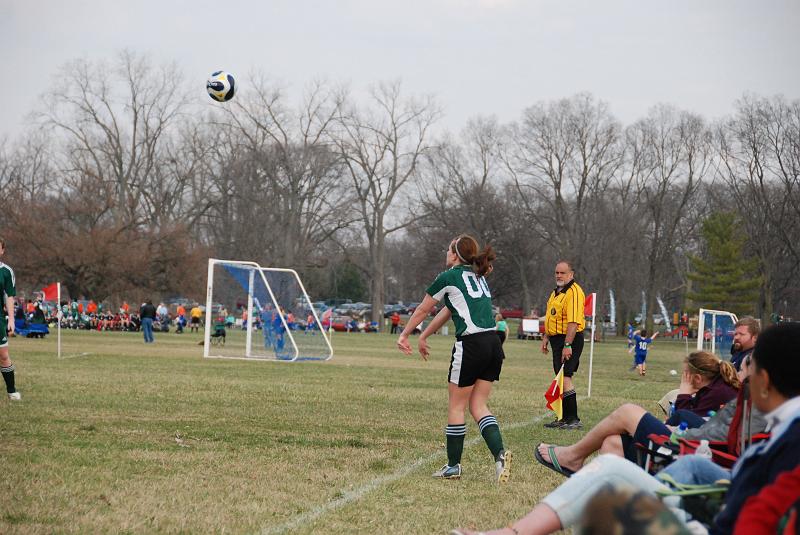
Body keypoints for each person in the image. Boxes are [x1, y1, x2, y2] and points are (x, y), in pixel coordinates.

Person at [451, 322, 800, 535]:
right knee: (612, 459)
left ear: (765, 381)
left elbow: (759, 510)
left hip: (706, 487)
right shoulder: (783, 431)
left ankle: (571, 469)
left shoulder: (788, 441)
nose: (744, 379)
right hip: (706, 475)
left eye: (749, 371)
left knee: (613, 486)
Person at [396, 234, 511, 483]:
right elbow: (450, 309)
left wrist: (404, 334)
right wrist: (424, 335)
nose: (445, 253)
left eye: (448, 249)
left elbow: (423, 309)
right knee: (478, 405)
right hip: (493, 342)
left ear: (455, 255)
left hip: (471, 345)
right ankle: (500, 456)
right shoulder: (476, 276)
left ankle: (453, 466)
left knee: (457, 406)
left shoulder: (448, 277)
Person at [541, 260, 586, 429]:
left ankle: (573, 419)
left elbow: (573, 322)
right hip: (556, 339)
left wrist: (568, 344)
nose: (559, 276)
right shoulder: (556, 292)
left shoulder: (574, 292)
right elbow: (552, 318)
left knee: (566, 375)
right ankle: (562, 418)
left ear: (571, 274)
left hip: (570, 339)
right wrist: (546, 337)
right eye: (557, 273)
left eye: (563, 273)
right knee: (560, 378)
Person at [0, 238, 20, 401]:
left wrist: (11, 319)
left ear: (2, 250)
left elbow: (9, 296)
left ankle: (12, 391)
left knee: (3, 355)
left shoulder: (6, 272)